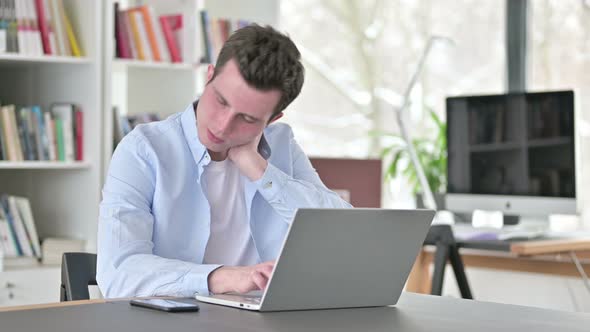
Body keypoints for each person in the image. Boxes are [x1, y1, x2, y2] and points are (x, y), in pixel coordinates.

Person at [97, 24, 351, 298]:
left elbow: (341, 233)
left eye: (248, 118)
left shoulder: (281, 144)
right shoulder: (144, 149)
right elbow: (119, 274)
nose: (222, 125)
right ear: (208, 77)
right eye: (220, 101)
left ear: (272, 120)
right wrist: (222, 278)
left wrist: (258, 168)